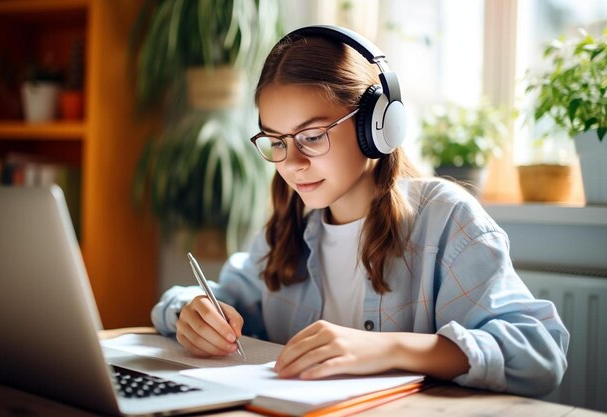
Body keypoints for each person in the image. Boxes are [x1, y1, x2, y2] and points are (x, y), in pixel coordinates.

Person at [151, 25, 569, 397]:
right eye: (276, 141)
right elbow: (213, 298)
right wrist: (192, 312)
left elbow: (539, 352)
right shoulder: (287, 227)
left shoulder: (445, 220)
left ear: (378, 126)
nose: (291, 163)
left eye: (312, 136)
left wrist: (390, 348)